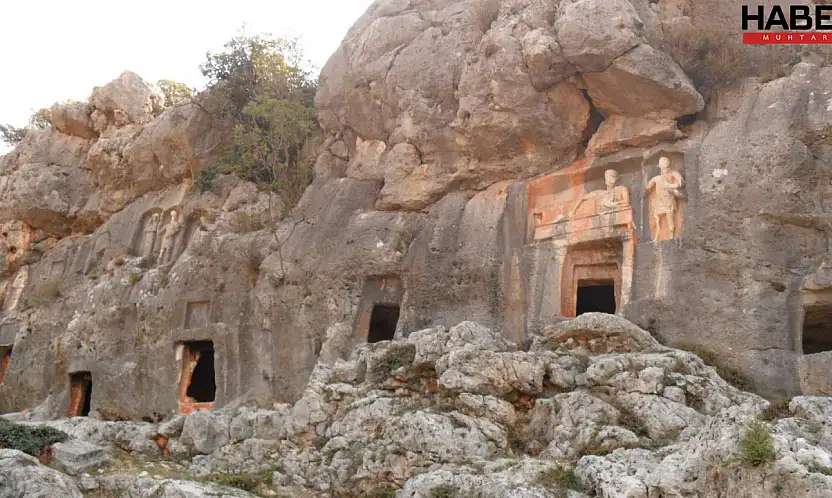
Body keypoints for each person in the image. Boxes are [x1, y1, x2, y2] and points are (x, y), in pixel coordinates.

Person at [646, 157, 684, 241]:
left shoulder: (673, 173)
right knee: (656, 219)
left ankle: (671, 236)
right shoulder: (657, 178)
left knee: (669, 218)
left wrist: (669, 185)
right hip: (659, 200)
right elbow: (648, 187)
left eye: (664, 161)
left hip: (668, 199)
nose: (662, 163)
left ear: (668, 163)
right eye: (661, 162)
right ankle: (657, 236)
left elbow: (681, 182)